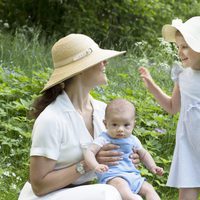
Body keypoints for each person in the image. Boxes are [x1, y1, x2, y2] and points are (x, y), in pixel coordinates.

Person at [18, 33, 141, 200]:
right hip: (45, 197)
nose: (105, 63)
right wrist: (89, 163)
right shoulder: (52, 119)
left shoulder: (102, 111)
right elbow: (39, 186)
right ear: (80, 70)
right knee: (109, 194)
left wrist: (126, 158)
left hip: (82, 194)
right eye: (99, 59)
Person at [139, 16, 200, 200]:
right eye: (178, 47)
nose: (180, 52)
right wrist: (152, 87)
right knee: (186, 193)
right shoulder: (182, 75)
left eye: (185, 46)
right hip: (188, 143)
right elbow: (173, 107)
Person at [84, 98, 164, 200]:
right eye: (114, 125)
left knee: (149, 188)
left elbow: (143, 154)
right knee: (122, 186)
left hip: (133, 175)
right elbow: (89, 152)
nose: (120, 129)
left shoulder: (133, 140)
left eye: (126, 125)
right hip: (113, 176)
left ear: (133, 124)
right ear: (105, 124)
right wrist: (95, 165)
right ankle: (132, 198)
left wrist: (153, 166)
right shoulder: (104, 139)